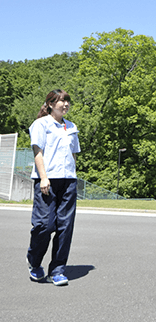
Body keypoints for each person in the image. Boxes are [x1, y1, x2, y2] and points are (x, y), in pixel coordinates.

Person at [26, 89, 81, 286]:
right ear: (50, 104)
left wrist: (73, 175)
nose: (65, 104)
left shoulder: (71, 126)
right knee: (44, 225)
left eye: (67, 101)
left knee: (65, 227)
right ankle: (34, 261)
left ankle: (58, 270)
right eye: (61, 101)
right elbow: (38, 152)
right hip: (47, 180)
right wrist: (43, 177)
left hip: (68, 181)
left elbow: (74, 153)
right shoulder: (41, 124)